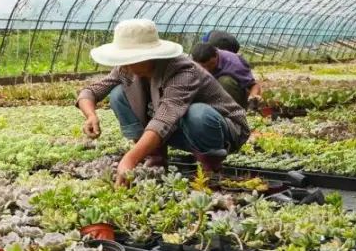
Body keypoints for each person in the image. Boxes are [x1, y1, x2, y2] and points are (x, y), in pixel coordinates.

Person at [77, 19, 250, 184]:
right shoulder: (126, 67)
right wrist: (91, 115)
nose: (124, 66)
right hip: (180, 127)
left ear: (148, 56)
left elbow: (165, 118)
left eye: (129, 59)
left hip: (224, 130)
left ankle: (211, 169)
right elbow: (90, 91)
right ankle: (155, 160)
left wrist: (129, 158)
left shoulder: (183, 71)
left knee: (196, 113)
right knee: (118, 94)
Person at [191, 42, 262, 109]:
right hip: (212, 96)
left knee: (225, 81)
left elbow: (254, 85)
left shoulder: (233, 63)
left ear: (216, 54)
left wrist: (252, 99)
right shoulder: (190, 64)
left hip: (234, 96)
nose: (207, 69)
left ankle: (233, 111)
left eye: (211, 64)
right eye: (203, 67)